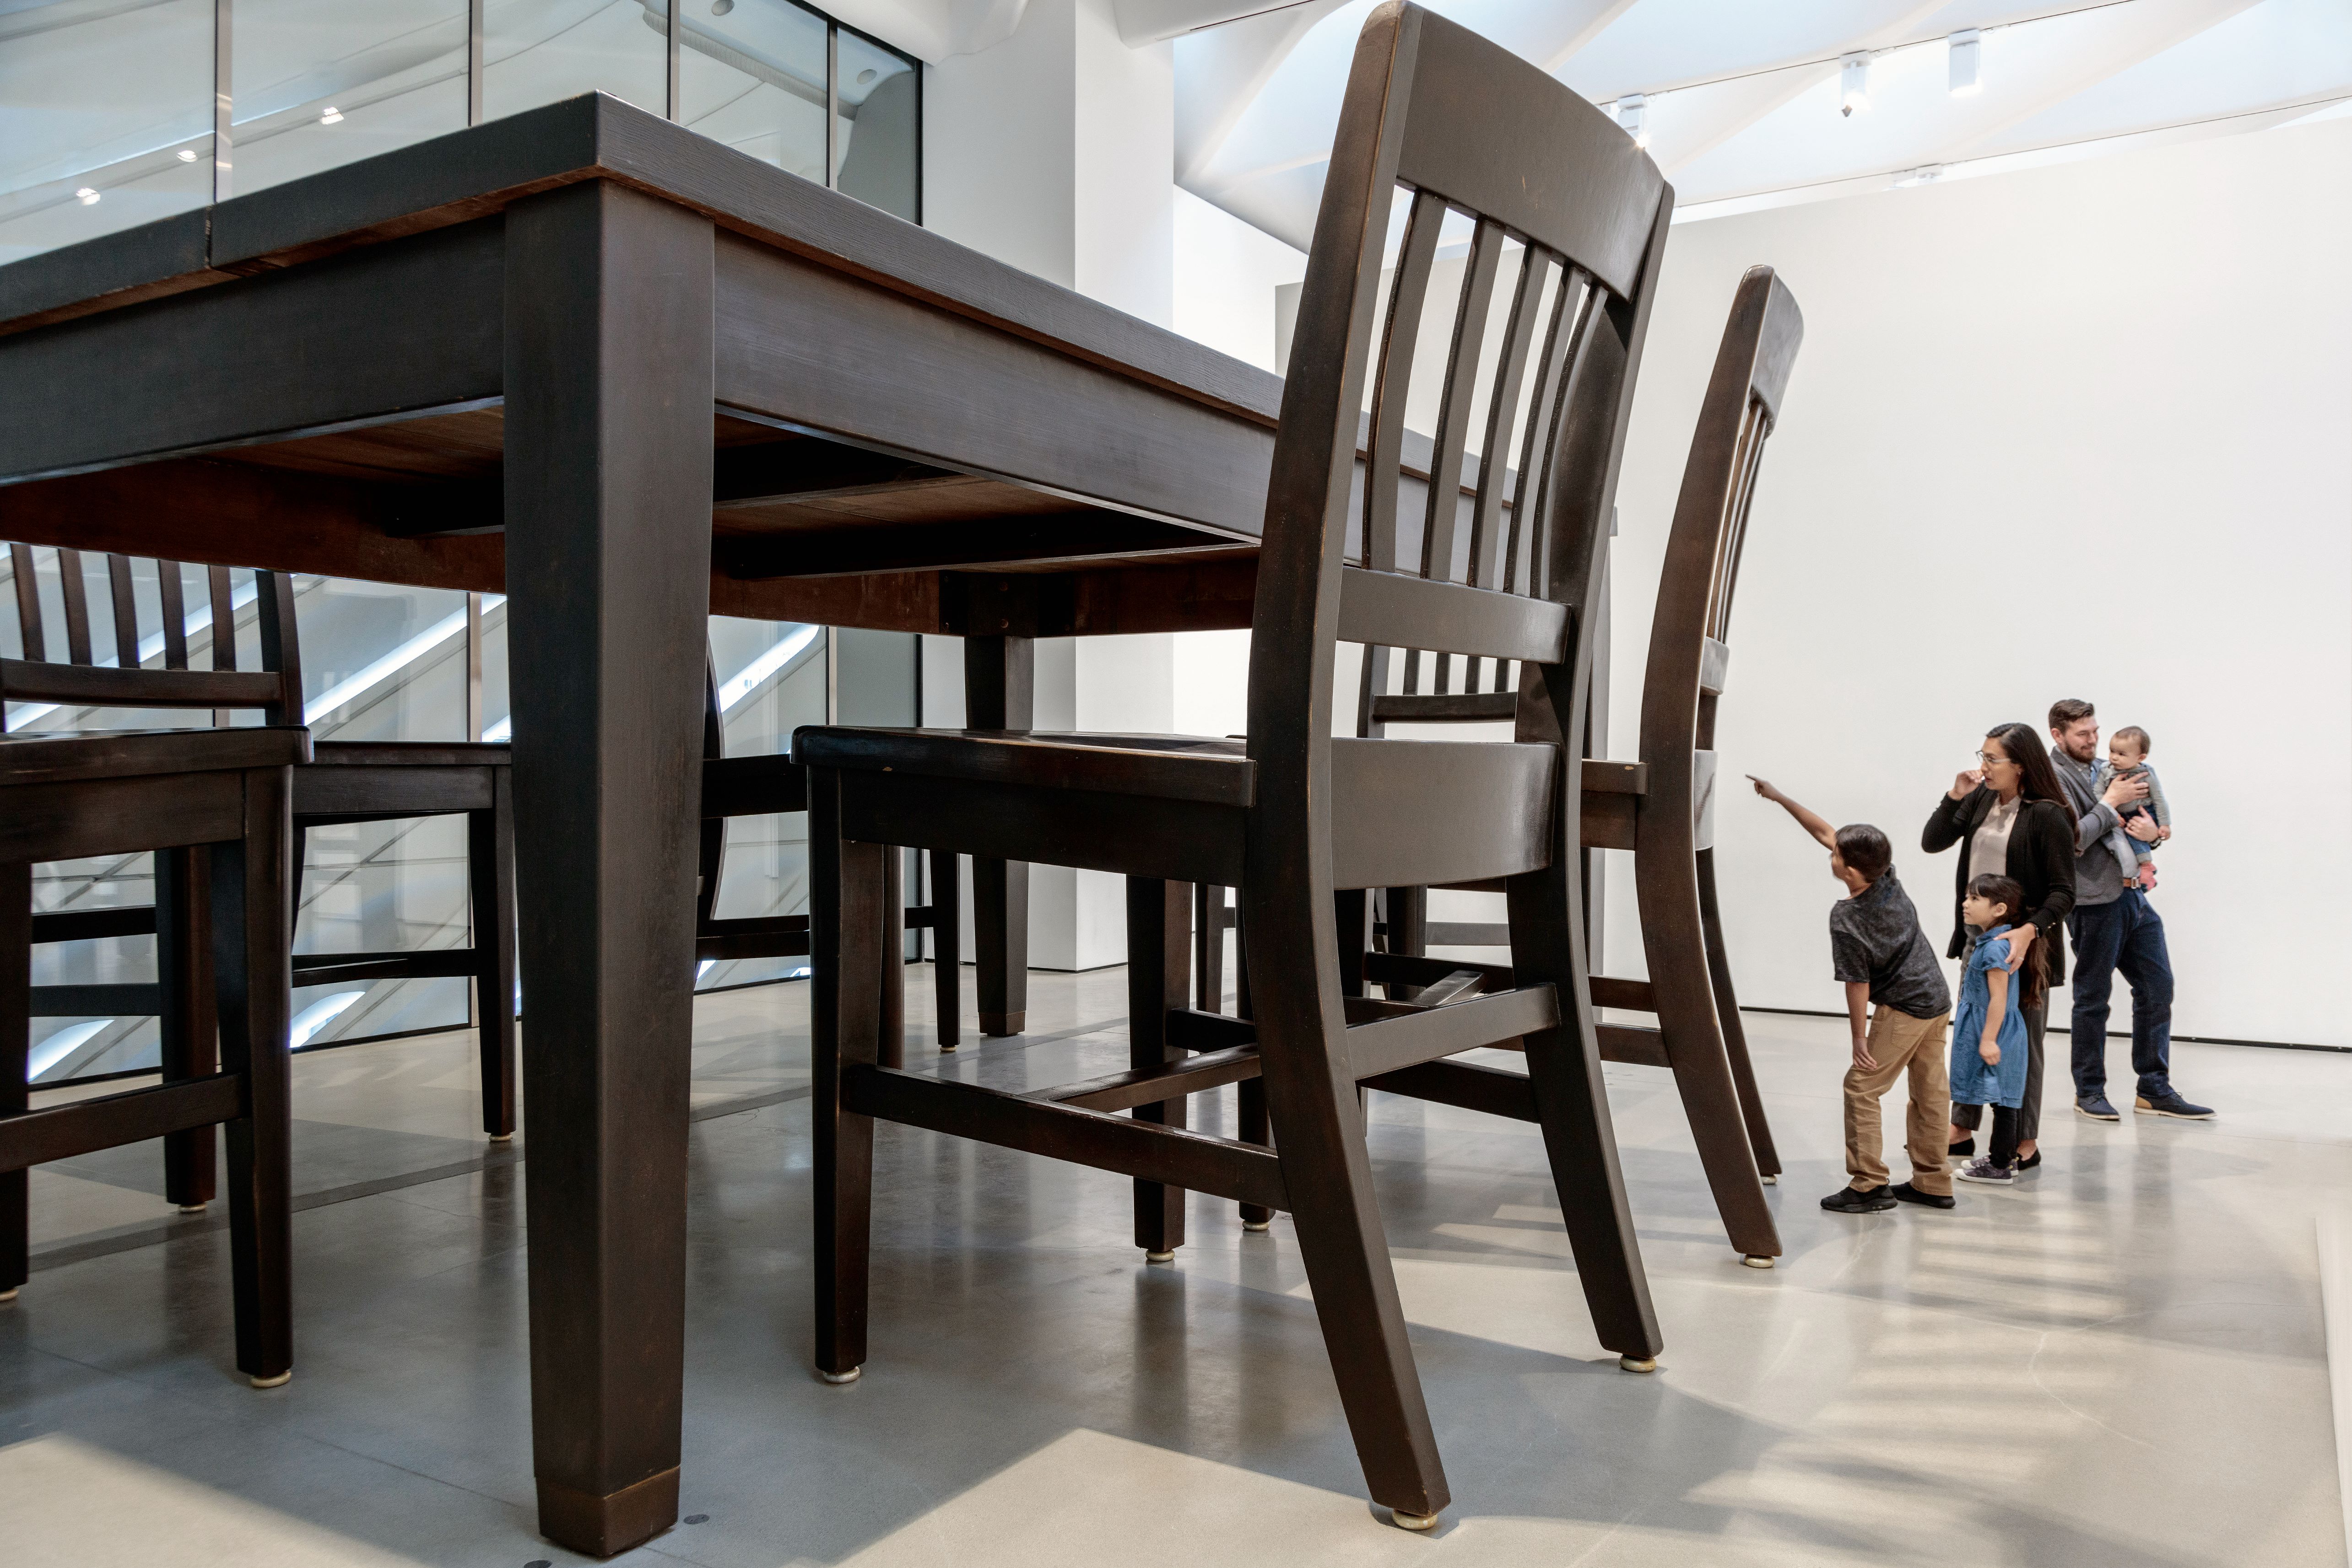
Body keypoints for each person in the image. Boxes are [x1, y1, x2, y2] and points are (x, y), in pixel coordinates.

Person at [1749, 777, 1954, 1214]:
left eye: (1836, 855)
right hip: (1936, 999)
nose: (1831, 852)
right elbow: (1827, 831)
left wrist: (1859, 1038)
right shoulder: (1887, 879)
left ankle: (1868, 1184)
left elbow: (1856, 983)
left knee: (1861, 1087)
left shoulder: (1848, 916)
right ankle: (1933, 1182)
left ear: (1848, 871)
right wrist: (1781, 797)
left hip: (1905, 1007)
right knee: (1930, 1091)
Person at [2046, 700, 2212, 1120]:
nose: (2093, 740)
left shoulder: (2110, 767)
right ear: (2057, 735)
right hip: (2092, 900)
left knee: (2158, 988)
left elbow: (2144, 816)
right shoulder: (2049, 779)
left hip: (2133, 895)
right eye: (2083, 734)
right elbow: (2070, 839)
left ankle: (2153, 1088)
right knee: (2093, 997)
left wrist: (2154, 834)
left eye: (2094, 730)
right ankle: (2089, 1091)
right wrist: (2111, 802)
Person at [1921, 723, 2077, 1170]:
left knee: (2020, 1042)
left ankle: (2025, 1140)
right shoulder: (1980, 798)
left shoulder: (2047, 814)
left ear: (2022, 766)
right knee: (1972, 1035)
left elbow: (2064, 892)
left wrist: (2030, 931)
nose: (1983, 766)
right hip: (1977, 941)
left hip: (2024, 949)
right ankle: (1963, 1128)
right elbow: (1933, 842)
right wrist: (1954, 796)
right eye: (1983, 755)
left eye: (1993, 759)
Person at [1949, 875, 2041, 1185]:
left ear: (1999, 909)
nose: (1965, 903)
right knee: (2003, 1097)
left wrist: (1987, 1038)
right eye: (1966, 896)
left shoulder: (1993, 950)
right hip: (1999, 1028)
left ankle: (2000, 1165)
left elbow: (1998, 998)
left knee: (2002, 1099)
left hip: (1994, 1030)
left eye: (1975, 899)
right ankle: (2001, 1158)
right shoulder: (1994, 942)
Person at [2096, 726, 2170, 891]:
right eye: (2112, 751)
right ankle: (2145, 873)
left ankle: (2146, 868)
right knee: (2127, 837)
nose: (2114, 758)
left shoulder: (2146, 774)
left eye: (2122, 754)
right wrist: (2111, 812)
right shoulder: (2106, 770)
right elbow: (2098, 794)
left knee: (2136, 834)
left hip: (2144, 812)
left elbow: (2159, 799)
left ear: (2140, 757)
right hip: (2120, 815)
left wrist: (2164, 825)